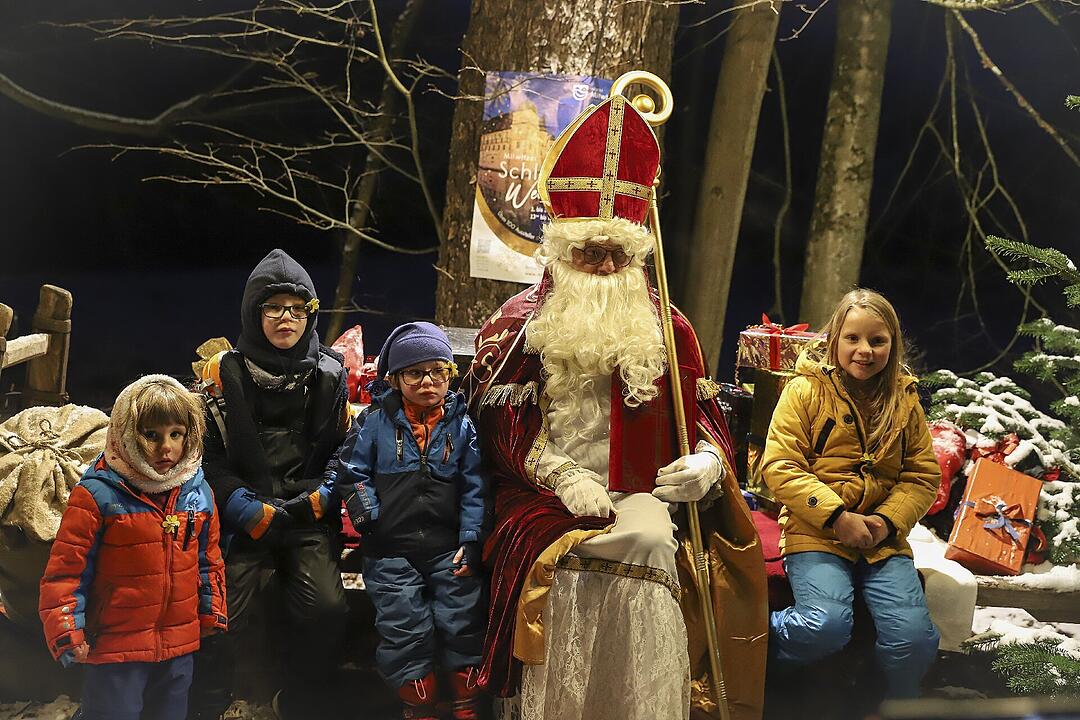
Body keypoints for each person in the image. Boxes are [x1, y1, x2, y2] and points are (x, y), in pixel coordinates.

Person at [462, 94, 767, 720]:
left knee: (650, 538)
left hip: (638, 492)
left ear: (636, 254)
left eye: (617, 254)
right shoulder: (517, 327)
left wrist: (707, 463)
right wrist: (563, 476)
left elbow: (706, 420)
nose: (603, 266)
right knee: (572, 556)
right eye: (589, 253)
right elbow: (498, 431)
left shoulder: (668, 327)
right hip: (541, 494)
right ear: (561, 251)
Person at [191, 248, 352, 720]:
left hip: (307, 516)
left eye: (297, 308)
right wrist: (240, 504)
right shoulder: (225, 374)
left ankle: (301, 697)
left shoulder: (330, 373)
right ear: (254, 312)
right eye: (274, 307)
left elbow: (345, 450)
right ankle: (210, 702)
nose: (287, 318)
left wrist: (324, 495)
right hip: (246, 516)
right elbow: (208, 456)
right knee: (220, 614)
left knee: (327, 609)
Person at [763, 288, 941, 699]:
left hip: (883, 539)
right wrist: (836, 517)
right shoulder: (804, 391)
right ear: (834, 339)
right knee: (823, 625)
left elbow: (921, 474)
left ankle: (886, 704)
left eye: (877, 341)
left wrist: (885, 521)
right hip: (817, 532)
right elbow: (780, 465)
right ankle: (757, 647)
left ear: (892, 345)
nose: (865, 350)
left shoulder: (903, 399)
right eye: (853, 339)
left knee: (914, 639)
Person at [39, 375, 226, 720]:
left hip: (177, 642)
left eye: (176, 434)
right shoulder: (98, 495)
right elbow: (67, 571)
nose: (165, 448)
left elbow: (208, 559)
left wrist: (211, 608)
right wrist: (67, 628)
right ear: (125, 433)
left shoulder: (197, 493)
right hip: (115, 644)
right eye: (151, 435)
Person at [337, 322, 486, 720]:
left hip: (448, 547)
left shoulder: (462, 426)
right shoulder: (374, 422)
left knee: (461, 617)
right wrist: (368, 514)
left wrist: (471, 540)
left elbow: (474, 486)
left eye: (438, 371)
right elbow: (351, 472)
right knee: (404, 625)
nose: (427, 381)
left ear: (449, 375)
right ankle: (419, 705)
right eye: (415, 372)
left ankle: (466, 699)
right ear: (395, 378)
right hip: (390, 549)